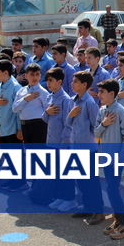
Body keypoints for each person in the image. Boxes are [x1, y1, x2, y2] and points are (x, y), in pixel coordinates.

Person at [94, 78, 124, 239]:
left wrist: (121, 157)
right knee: (111, 189)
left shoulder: (120, 110)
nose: (99, 94)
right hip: (106, 158)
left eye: (102, 92)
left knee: (112, 190)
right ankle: (118, 220)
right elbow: (96, 133)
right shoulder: (102, 110)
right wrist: (104, 124)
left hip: (116, 159)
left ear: (112, 93)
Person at [66, 71, 104, 225]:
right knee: (81, 181)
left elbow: (96, 127)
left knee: (91, 182)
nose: (72, 83)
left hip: (88, 148)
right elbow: (68, 124)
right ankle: (87, 207)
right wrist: (71, 115)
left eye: (75, 82)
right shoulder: (72, 101)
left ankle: (98, 211)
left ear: (84, 85)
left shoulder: (89, 103)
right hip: (75, 145)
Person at [42, 67, 76, 212]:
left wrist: (64, 144)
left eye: (51, 81)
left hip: (62, 144)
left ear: (60, 82)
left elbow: (68, 125)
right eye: (47, 80)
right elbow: (45, 119)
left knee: (65, 173)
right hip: (51, 141)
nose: (48, 84)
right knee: (55, 173)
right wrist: (46, 112)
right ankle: (59, 197)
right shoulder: (50, 97)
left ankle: (70, 199)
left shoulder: (65, 100)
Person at [0, 59, 24, 189]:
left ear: (5, 72)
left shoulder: (16, 88)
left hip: (12, 128)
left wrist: (19, 129)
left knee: (15, 156)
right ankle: (12, 179)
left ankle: (20, 182)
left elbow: (19, 111)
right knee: (7, 155)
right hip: (2, 127)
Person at [12, 63, 48, 144]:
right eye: (32, 74)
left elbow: (47, 110)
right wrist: (25, 99)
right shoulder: (21, 91)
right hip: (25, 125)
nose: (35, 77)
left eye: (37, 74)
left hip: (38, 125)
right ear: (25, 76)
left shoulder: (43, 92)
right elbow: (14, 109)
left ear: (40, 76)